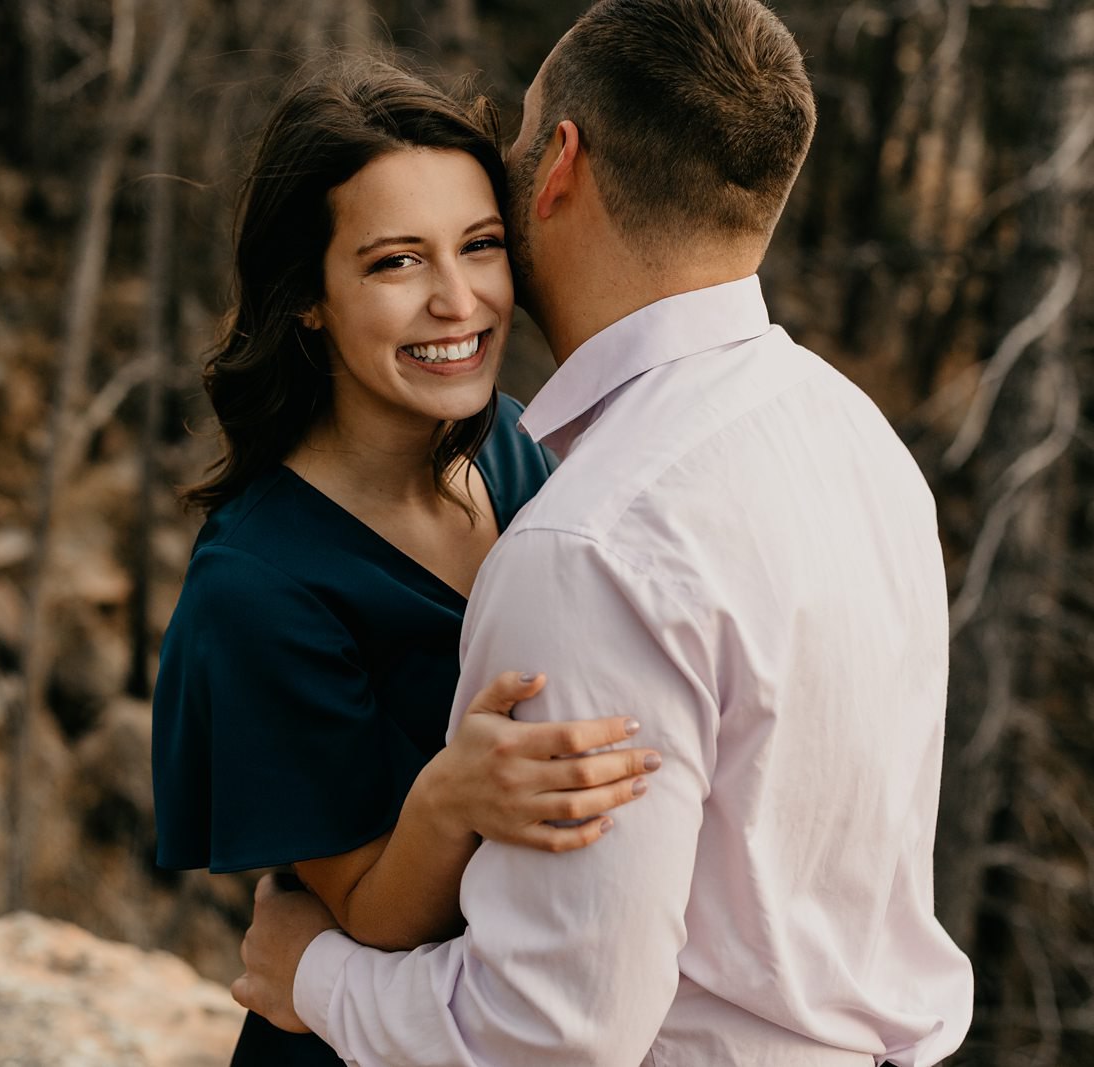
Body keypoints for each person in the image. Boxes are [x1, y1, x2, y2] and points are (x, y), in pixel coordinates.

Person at [230, 0, 977, 1064]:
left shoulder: (591, 545)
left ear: (561, 162)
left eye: (524, 127)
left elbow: (551, 1034)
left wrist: (315, 973)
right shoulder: (854, 434)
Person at [151, 60, 664, 1067]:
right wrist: (450, 793)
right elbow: (372, 914)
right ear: (308, 298)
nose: (456, 298)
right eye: (395, 263)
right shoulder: (256, 587)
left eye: (479, 246)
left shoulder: (520, 446)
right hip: (358, 1038)